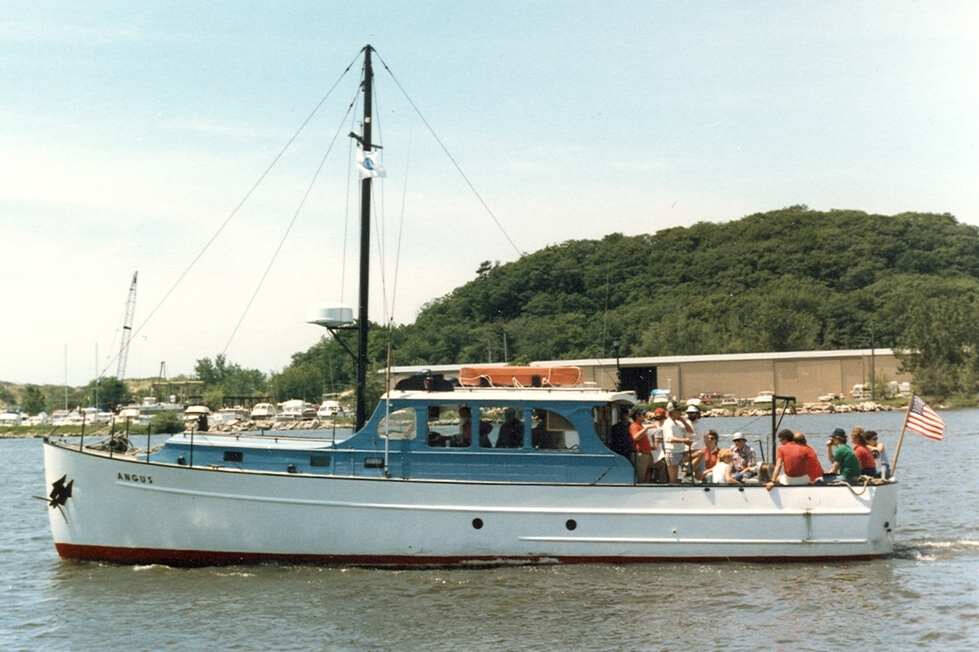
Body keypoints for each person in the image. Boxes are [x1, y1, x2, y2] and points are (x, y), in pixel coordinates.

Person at [661, 403, 694, 482]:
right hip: (672, 453)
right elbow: (669, 438)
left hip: (680, 451)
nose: (680, 412)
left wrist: (683, 421)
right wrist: (684, 440)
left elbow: (690, 431)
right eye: (678, 410)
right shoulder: (668, 423)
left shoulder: (678, 423)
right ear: (672, 412)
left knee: (680, 477)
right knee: (673, 479)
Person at [629, 409, 655, 482]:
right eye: (643, 415)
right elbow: (635, 437)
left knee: (658, 467)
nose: (644, 417)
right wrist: (646, 428)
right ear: (637, 416)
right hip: (640, 454)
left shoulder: (640, 426)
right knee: (641, 476)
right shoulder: (634, 425)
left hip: (646, 454)